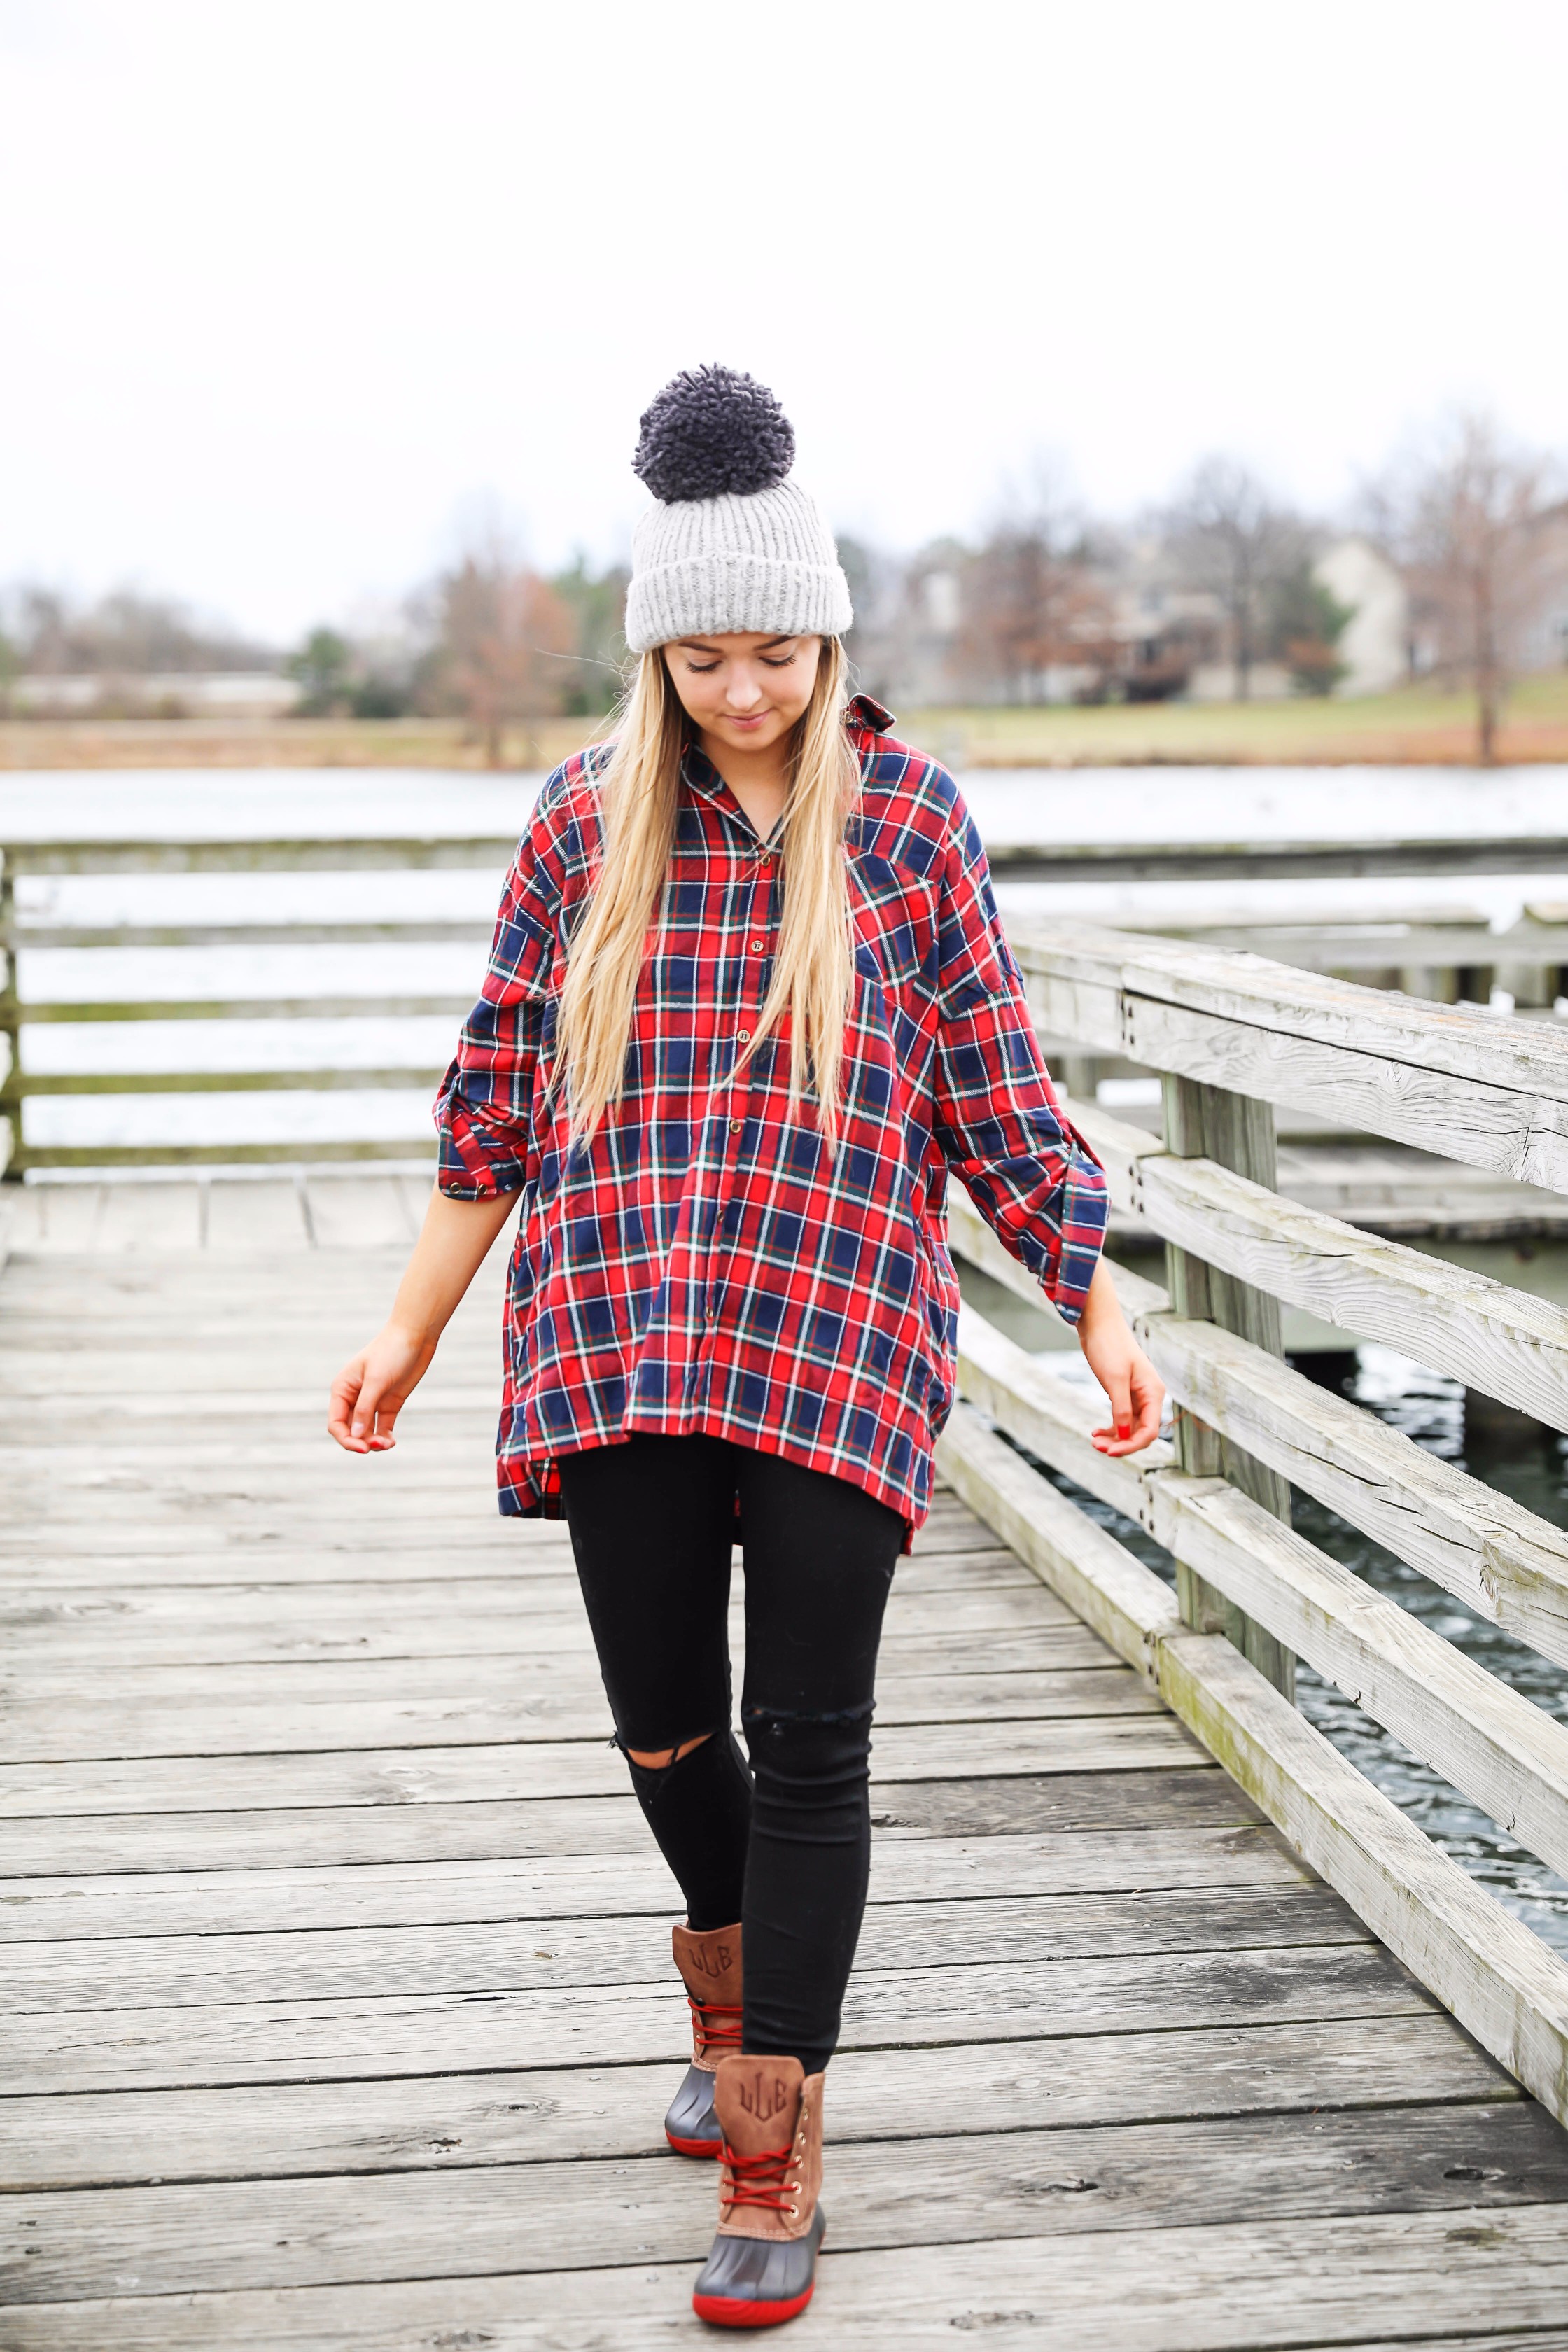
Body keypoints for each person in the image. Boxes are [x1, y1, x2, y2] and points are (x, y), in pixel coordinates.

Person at [328, 365, 1164, 2330]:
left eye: (776, 650)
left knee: (812, 1747)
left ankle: (778, 2142)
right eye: (705, 656)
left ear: (828, 631)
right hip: (619, 1333)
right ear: (658, 653)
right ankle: (723, 1973)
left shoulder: (905, 827)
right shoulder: (580, 830)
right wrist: (404, 1333)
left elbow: (998, 1098)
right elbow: (490, 1114)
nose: (745, 691)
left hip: (837, 1332)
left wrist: (1102, 1301)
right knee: (661, 1726)